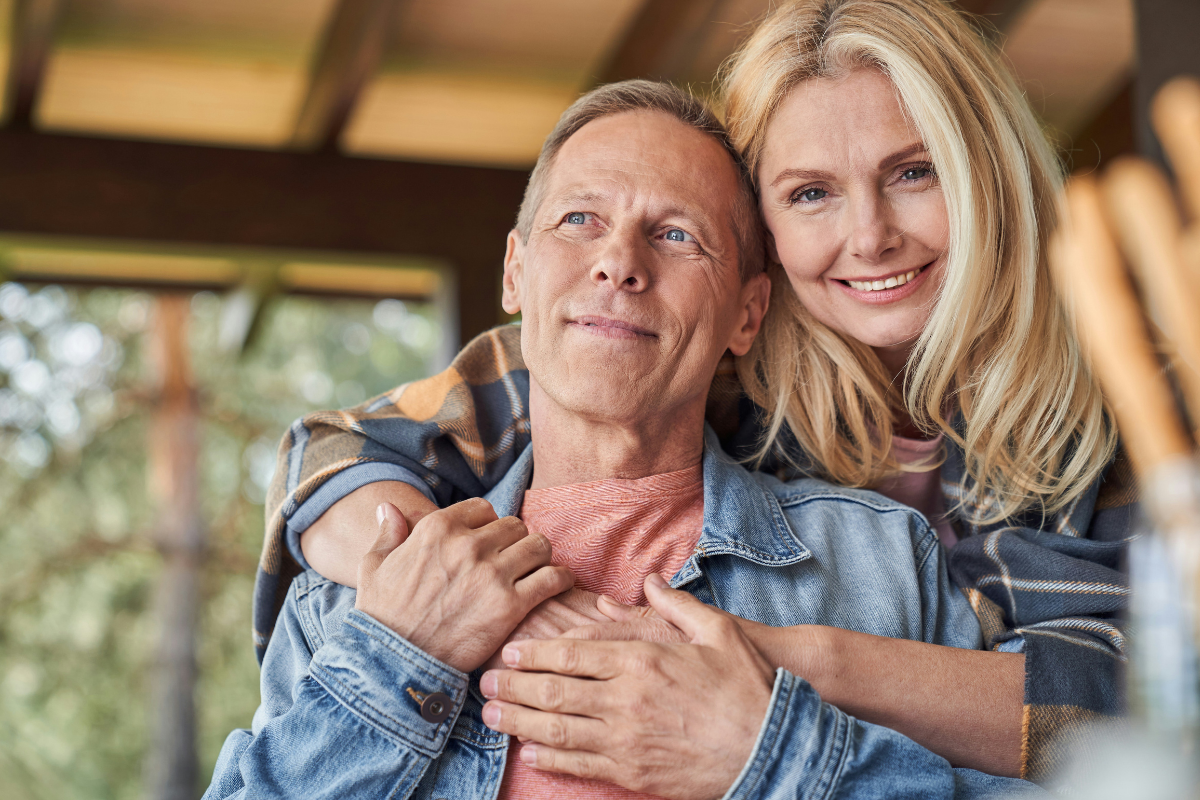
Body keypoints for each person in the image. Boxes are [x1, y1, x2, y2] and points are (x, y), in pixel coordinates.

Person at [254, 0, 1132, 786]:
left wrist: (772, 684)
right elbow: (337, 450)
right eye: (811, 192)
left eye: (914, 172)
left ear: (989, 175)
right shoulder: (684, 363)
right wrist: (421, 608)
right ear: (764, 240)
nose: (869, 236)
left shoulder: (1133, 402)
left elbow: (1130, 724)